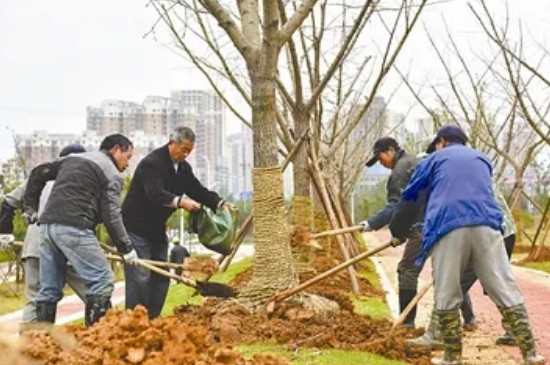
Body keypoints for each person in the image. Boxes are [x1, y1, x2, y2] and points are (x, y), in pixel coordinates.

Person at [390, 125, 544, 365]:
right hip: (489, 227)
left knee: (447, 291)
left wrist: (397, 232)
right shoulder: (482, 158)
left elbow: (410, 197)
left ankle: (452, 357)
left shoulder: (434, 159)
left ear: (441, 142)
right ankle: (530, 354)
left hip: (450, 226)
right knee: (504, 287)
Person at [358, 137, 475, 329]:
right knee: (447, 271)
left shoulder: (401, 170)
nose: (381, 163)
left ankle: (407, 323)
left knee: (407, 270)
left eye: (380, 159)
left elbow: (398, 206)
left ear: (390, 151)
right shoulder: (417, 161)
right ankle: (469, 319)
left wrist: (371, 224)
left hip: (424, 227)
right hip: (445, 222)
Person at [23, 134, 137, 327]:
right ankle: (96, 346)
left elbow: (38, 173)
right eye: (128, 156)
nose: (127, 164)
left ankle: (40, 345)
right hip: (74, 228)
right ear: (116, 149)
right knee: (102, 280)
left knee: (48, 290)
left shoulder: (73, 159)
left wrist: (31, 209)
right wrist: (126, 248)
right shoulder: (111, 173)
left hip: (46, 228)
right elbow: (111, 213)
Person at [122, 125, 233, 319]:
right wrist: (181, 202)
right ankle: (134, 322)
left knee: (162, 277)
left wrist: (219, 203)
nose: (186, 154)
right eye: (184, 149)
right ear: (172, 143)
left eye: (190, 151)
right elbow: (155, 193)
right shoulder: (152, 163)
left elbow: (197, 190)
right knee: (141, 276)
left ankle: (153, 320)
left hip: (157, 230)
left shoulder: (183, 168)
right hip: (135, 228)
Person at [0, 143, 89, 333]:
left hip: (38, 244)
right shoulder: (83, 179)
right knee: (96, 291)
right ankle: (107, 340)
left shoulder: (40, 177)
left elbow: (8, 203)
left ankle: (27, 351)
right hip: (69, 244)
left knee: (36, 299)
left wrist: (5, 231)